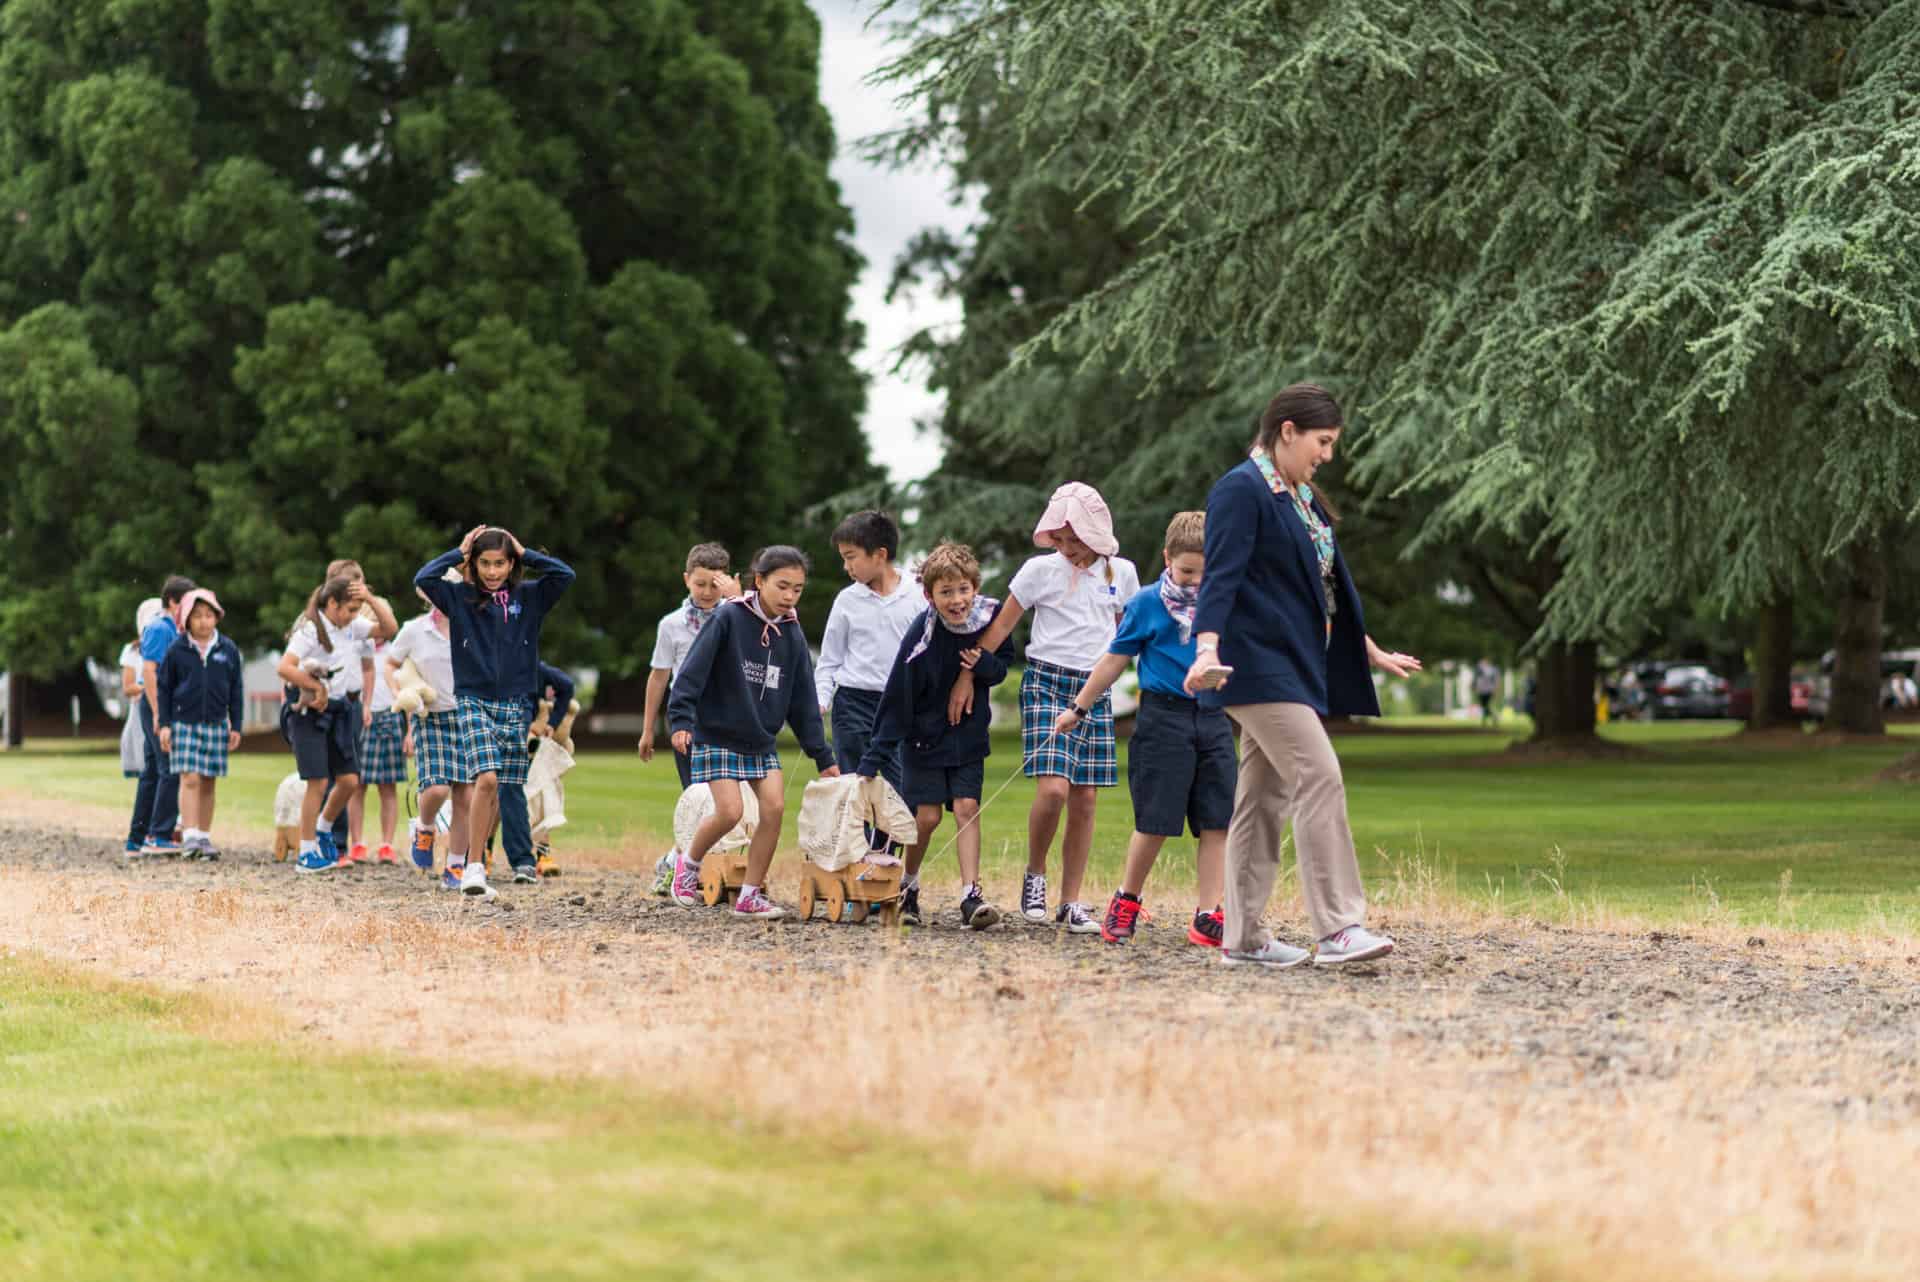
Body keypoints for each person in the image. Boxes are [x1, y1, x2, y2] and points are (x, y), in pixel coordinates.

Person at [1187, 383, 1420, 969]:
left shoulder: (1299, 497)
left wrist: (1366, 649)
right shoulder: (1241, 490)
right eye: (1323, 441)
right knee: (1320, 776)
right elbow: (1221, 579)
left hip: (1293, 665)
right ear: (1287, 431)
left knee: (1262, 799)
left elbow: (1313, 591)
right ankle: (1339, 927)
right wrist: (1206, 648)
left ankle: (1241, 939)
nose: (1328, 455)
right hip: (1257, 668)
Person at [948, 482, 1141, 933]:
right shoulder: (1039, 571)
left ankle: (1071, 902)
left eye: (1076, 539)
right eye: (1061, 539)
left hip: (1095, 688)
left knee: (1086, 797)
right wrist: (966, 675)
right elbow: (1000, 629)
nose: (1068, 548)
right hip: (1046, 682)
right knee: (1053, 789)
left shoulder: (1122, 574)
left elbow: (1124, 636)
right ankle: (1035, 874)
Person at [1053, 511, 1231, 948]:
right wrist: (1079, 706)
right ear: (1167, 558)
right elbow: (1114, 659)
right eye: (1187, 571)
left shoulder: (1223, 604)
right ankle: (1126, 900)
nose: (1194, 583)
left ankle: (1209, 914)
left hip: (1212, 717)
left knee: (1217, 819)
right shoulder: (1147, 604)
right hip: (1163, 720)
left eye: (1204, 574)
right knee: (1155, 819)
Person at [666, 546, 840, 920]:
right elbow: (692, 672)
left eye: (797, 589)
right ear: (759, 581)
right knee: (730, 812)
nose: (790, 596)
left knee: (774, 809)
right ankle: (688, 864)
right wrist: (680, 720)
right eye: (782, 586)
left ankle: (749, 896)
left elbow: (803, 700)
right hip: (717, 733)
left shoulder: (791, 634)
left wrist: (822, 755)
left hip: (760, 738)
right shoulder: (728, 617)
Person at [857, 543, 1014, 930]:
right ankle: (908, 887)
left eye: (963, 589)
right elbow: (897, 696)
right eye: (946, 592)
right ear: (929, 596)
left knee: (967, 807)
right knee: (925, 818)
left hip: (968, 737)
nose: (957, 600)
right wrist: (875, 756)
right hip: (923, 739)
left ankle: (970, 895)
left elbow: (1002, 666)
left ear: (974, 587)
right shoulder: (921, 638)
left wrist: (984, 664)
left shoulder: (989, 621)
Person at [415, 526, 575, 898]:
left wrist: (526, 551)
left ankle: (493, 860)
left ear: (510, 563)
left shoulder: (530, 597)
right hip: (472, 699)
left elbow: (565, 575)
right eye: (484, 563)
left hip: (516, 703)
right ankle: (473, 867)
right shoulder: (458, 597)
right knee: (485, 779)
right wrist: (459, 552)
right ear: (474, 563)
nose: (491, 572)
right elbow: (423, 577)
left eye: (500, 563)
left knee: (504, 786)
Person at [816, 510, 923, 851]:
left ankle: (883, 863)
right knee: (857, 789)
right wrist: (821, 698)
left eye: (851, 558)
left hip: (903, 706)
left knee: (903, 792)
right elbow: (830, 660)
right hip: (853, 704)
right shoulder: (847, 601)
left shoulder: (919, 596)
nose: (846, 568)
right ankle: (860, 868)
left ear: (880, 554)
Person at [279, 576, 398, 873]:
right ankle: (306, 853)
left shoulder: (351, 627)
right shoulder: (310, 629)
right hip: (311, 713)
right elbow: (285, 666)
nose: (354, 615)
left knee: (349, 780)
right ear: (332, 604)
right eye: (350, 608)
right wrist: (315, 687)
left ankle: (322, 829)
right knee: (317, 782)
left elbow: (389, 629)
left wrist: (369, 600)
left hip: (342, 711)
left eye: (358, 609)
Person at [640, 543, 740, 891]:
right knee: (699, 798)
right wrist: (647, 729)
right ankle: (677, 868)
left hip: (730, 719)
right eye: (700, 584)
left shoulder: (741, 616)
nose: (708, 592)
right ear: (686, 580)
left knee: (732, 804)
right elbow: (659, 677)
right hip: (688, 720)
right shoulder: (672, 625)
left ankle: (689, 864)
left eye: (715, 585)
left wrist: (738, 600)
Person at [387, 586, 469, 880]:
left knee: (466, 797)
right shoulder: (414, 630)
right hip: (429, 718)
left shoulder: (473, 624)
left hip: (467, 716)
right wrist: (403, 693)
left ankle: (456, 865)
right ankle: (424, 827)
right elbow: (391, 664)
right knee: (436, 789)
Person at [154, 589, 244, 859]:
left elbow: (236, 689)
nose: (204, 622)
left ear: (217, 617)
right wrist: (165, 724)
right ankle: (190, 835)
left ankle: (204, 836)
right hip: (184, 722)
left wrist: (236, 725)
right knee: (189, 777)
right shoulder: (177, 649)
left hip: (216, 724)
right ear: (186, 620)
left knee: (208, 780)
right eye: (197, 617)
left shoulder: (227, 649)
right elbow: (164, 688)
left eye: (209, 616)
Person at [127, 574, 195, 856]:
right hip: (155, 704)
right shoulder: (159, 628)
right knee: (169, 768)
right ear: (173, 601)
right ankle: (159, 834)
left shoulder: (177, 630)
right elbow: (149, 672)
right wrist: (158, 714)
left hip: (167, 704)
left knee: (153, 771)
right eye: (187, 603)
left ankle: (138, 838)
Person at [357, 626, 407, 864]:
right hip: (361, 717)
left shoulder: (396, 653)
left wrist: (410, 733)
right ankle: (357, 843)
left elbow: (408, 692)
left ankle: (386, 844)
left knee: (388, 787)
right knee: (356, 785)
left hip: (389, 717)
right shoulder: (357, 648)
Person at [117, 598, 163, 840]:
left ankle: (161, 826)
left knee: (161, 771)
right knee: (152, 769)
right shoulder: (133, 650)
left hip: (160, 708)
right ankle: (147, 829)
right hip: (142, 713)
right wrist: (150, 687)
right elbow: (128, 687)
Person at [1473, 659, 1500, 725]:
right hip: (1482, 691)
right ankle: (1488, 719)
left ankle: (1492, 718)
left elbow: (1496, 680)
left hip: (1489, 690)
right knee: (1484, 706)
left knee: (1487, 705)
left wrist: (1495, 689)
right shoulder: (1479, 670)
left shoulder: (1492, 670)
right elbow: (1477, 680)